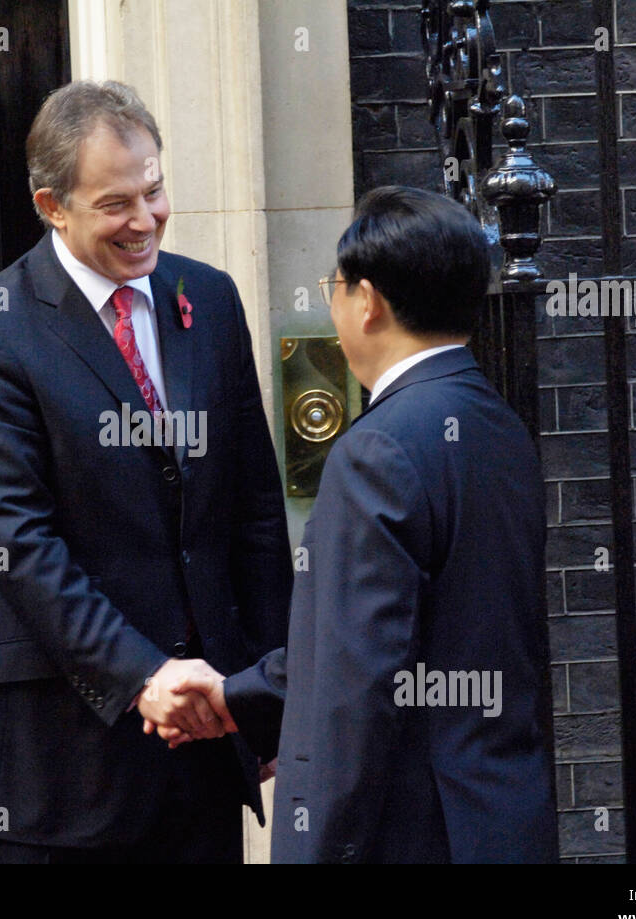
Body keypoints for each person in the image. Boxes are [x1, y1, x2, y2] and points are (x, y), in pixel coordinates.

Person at [0, 79, 292, 863]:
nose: (145, 219)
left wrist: (264, 697)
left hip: (201, 744)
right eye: (115, 203)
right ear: (51, 206)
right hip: (59, 768)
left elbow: (254, 511)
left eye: (154, 191)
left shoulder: (212, 299)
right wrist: (142, 676)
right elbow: (19, 544)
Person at [163, 186, 557, 862]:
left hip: (415, 834)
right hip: (503, 820)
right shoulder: (501, 427)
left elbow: (353, 690)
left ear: (368, 300)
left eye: (335, 287)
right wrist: (236, 694)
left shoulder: (378, 449)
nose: (333, 303)